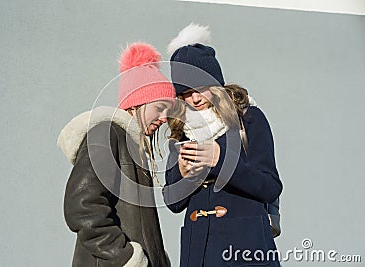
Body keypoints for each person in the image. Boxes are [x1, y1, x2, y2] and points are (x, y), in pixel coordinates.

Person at [163, 23, 283, 267]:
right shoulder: (181, 132)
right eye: (185, 93)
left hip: (244, 248)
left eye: (200, 88)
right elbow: (172, 202)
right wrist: (185, 176)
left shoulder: (249, 119)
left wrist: (220, 160)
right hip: (198, 252)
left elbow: (270, 186)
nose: (194, 98)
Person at [57, 42, 175, 267]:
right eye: (160, 108)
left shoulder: (134, 147)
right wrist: (125, 257)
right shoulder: (107, 133)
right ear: (137, 102)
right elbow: (82, 206)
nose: (164, 118)